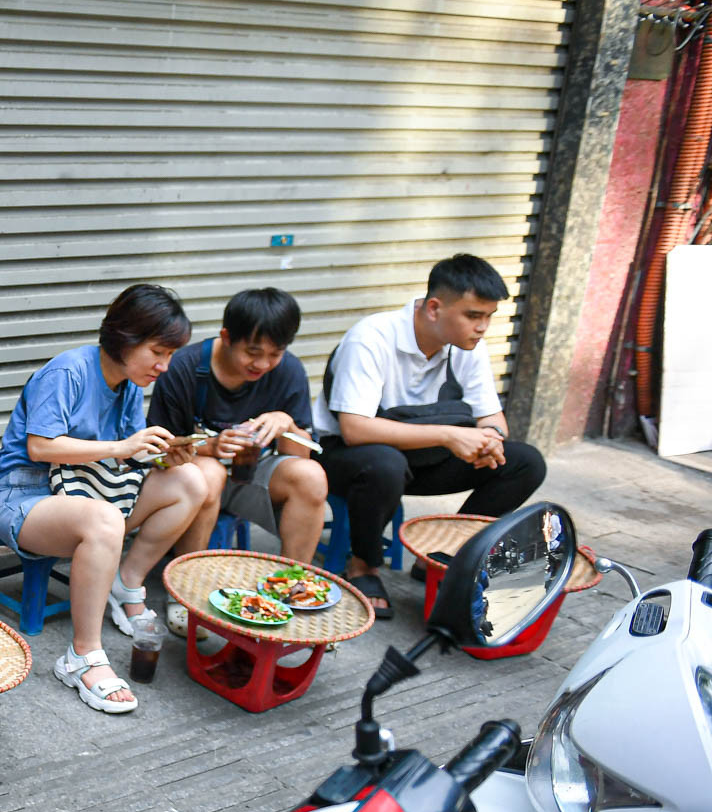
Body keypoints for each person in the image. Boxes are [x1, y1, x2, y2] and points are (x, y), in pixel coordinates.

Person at [0, 284, 210, 714]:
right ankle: (82, 656)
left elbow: (124, 467)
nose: (164, 366)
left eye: (170, 356)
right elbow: (41, 448)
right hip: (27, 498)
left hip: (90, 491)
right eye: (158, 352)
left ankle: (125, 583)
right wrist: (123, 447)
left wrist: (165, 457)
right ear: (127, 338)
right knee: (105, 520)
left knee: (191, 482)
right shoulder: (67, 371)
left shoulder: (126, 385)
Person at [313, 254, 547, 621]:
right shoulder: (371, 337)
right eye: (474, 315)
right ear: (435, 308)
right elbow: (354, 429)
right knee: (385, 464)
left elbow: (492, 418)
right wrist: (450, 436)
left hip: (422, 458)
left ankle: (444, 557)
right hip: (348, 458)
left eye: (488, 317)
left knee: (525, 462)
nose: (483, 327)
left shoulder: (467, 345)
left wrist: (490, 440)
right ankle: (362, 566)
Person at [152, 289, 328, 626]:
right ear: (226, 337)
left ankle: (291, 592)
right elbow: (160, 447)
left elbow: (303, 455)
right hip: (192, 477)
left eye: (275, 354)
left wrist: (286, 425)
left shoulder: (288, 371)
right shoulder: (186, 367)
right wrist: (210, 446)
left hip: (254, 474)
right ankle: (184, 592)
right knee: (209, 473)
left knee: (312, 477)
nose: (262, 365)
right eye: (252, 352)